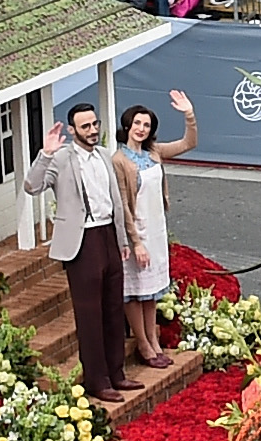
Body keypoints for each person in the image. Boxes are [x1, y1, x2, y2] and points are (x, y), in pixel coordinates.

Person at [19, 101, 134, 403]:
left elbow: (116, 201)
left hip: (108, 232)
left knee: (113, 308)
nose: (93, 130)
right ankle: (97, 379)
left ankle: (117, 372)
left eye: (95, 124)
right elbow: (32, 186)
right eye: (85, 127)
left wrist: (122, 240)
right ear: (72, 130)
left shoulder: (105, 156)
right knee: (90, 314)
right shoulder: (61, 159)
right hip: (81, 240)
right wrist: (45, 154)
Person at [114, 89, 197, 371]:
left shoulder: (154, 153)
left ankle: (154, 340)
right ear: (127, 124)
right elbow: (123, 204)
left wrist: (188, 114)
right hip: (135, 233)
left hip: (157, 229)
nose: (141, 129)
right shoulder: (119, 160)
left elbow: (189, 143)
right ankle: (142, 343)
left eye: (146, 125)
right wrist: (134, 241)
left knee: (150, 291)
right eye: (137, 123)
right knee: (134, 290)